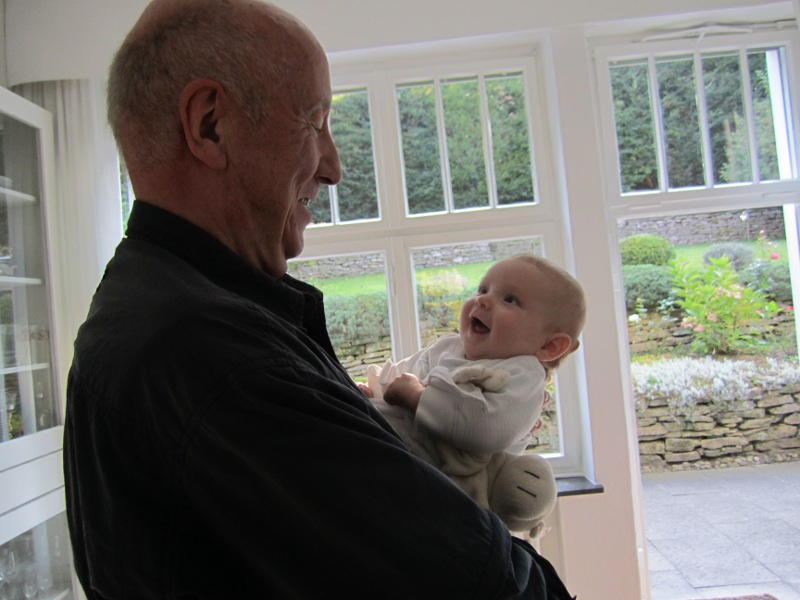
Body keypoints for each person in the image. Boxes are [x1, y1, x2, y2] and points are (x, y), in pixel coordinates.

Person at [63, 0, 576, 598]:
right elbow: (483, 584)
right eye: (314, 123)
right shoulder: (212, 355)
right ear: (210, 125)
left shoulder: (157, 312)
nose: (333, 168)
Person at [364, 255, 586, 537]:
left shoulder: (524, 376)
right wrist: (373, 392)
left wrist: (418, 397)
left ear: (549, 346)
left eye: (510, 300)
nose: (482, 300)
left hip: (443, 496)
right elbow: (401, 376)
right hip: (391, 459)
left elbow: (485, 427)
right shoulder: (447, 347)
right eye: (482, 289)